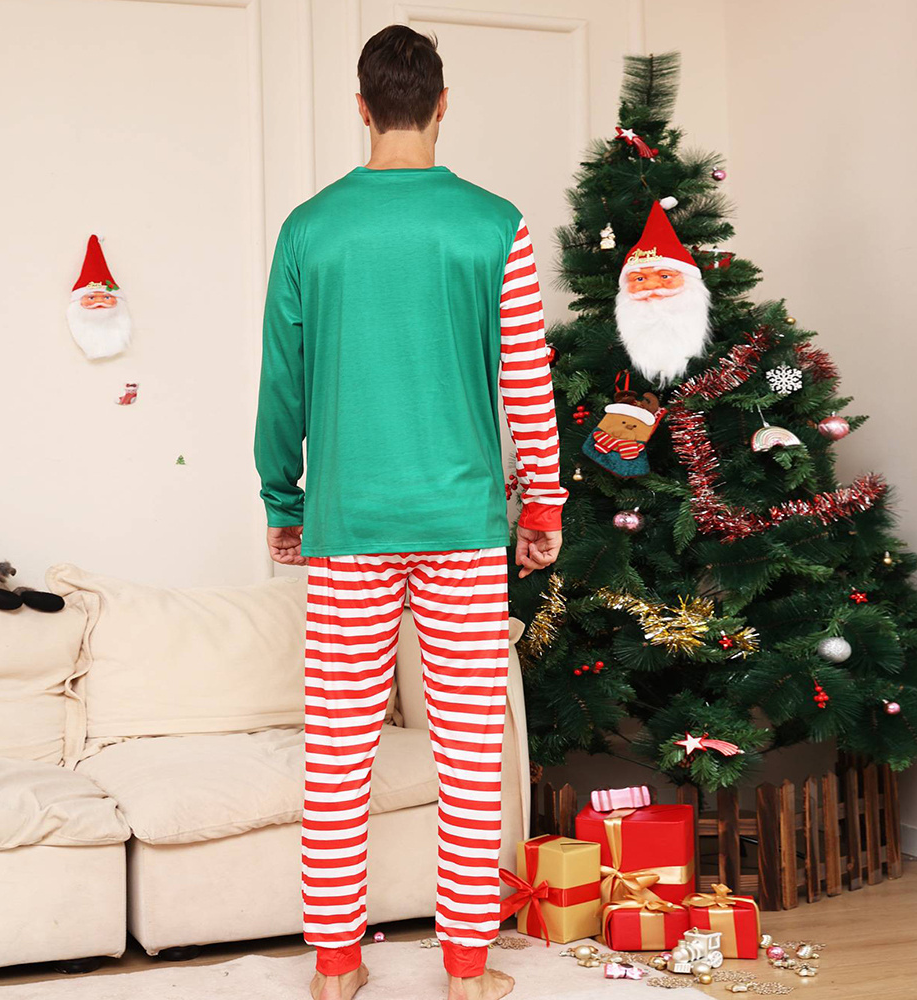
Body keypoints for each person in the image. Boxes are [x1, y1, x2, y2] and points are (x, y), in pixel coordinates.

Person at [253, 23, 567, 1000]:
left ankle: (336, 967)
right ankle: (467, 969)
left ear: (361, 108)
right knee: (471, 752)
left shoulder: (310, 228)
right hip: (464, 527)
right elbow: (527, 381)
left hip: (348, 526)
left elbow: (282, 383)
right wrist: (542, 501)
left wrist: (282, 496)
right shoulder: (495, 224)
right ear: (441, 104)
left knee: (337, 751)